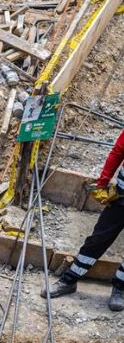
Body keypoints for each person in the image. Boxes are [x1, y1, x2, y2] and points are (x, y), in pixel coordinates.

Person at [43, 127, 124, 311]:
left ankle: (120, 288)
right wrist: (103, 182)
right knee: (98, 240)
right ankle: (69, 280)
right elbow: (118, 152)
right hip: (121, 198)